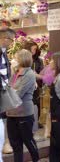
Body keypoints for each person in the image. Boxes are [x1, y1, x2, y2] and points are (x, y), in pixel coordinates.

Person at [6, 50, 39, 162]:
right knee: (15, 144)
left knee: (28, 141)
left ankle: (36, 160)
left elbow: (18, 93)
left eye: (16, 58)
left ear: (22, 59)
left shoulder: (29, 74)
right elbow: (8, 90)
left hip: (24, 113)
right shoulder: (15, 73)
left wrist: (11, 91)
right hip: (11, 113)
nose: (13, 60)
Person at [0, 29, 15, 160]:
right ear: (5, 38)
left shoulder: (4, 52)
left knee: (4, 118)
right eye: (11, 40)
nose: (12, 43)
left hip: (4, 90)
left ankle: (6, 142)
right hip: (2, 91)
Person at [24, 41, 44, 133]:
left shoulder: (39, 60)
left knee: (37, 103)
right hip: (26, 86)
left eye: (36, 49)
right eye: (33, 49)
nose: (35, 51)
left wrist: (38, 75)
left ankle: (36, 122)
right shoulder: (24, 60)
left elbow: (41, 73)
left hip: (36, 86)